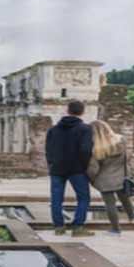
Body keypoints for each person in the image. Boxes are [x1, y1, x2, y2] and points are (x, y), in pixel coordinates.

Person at [45, 100, 94, 237]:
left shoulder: (53, 129)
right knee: (83, 197)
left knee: (56, 198)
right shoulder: (85, 129)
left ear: (67, 111)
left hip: (56, 167)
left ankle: (59, 227)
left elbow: (48, 150)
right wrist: (84, 166)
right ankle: (78, 227)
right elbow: (86, 150)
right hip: (76, 168)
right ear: (83, 112)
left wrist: (51, 164)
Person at [87, 120, 134, 236]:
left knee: (110, 204)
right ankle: (133, 216)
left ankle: (116, 229)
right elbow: (126, 159)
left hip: (104, 179)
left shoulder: (95, 147)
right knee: (124, 198)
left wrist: (92, 179)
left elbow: (93, 168)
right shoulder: (121, 140)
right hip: (121, 176)